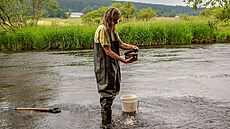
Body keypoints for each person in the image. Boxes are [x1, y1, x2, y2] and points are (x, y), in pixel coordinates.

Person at [93, 7, 139, 129]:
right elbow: (107, 51)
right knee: (106, 96)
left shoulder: (112, 30)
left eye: (118, 19)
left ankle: (108, 123)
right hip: (103, 68)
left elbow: (120, 44)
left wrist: (132, 47)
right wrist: (123, 60)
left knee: (112, 92)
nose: (117, 22)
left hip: (112, 66)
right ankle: (106, 125)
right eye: (115, 19)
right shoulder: (102, 30)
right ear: (110, 18)